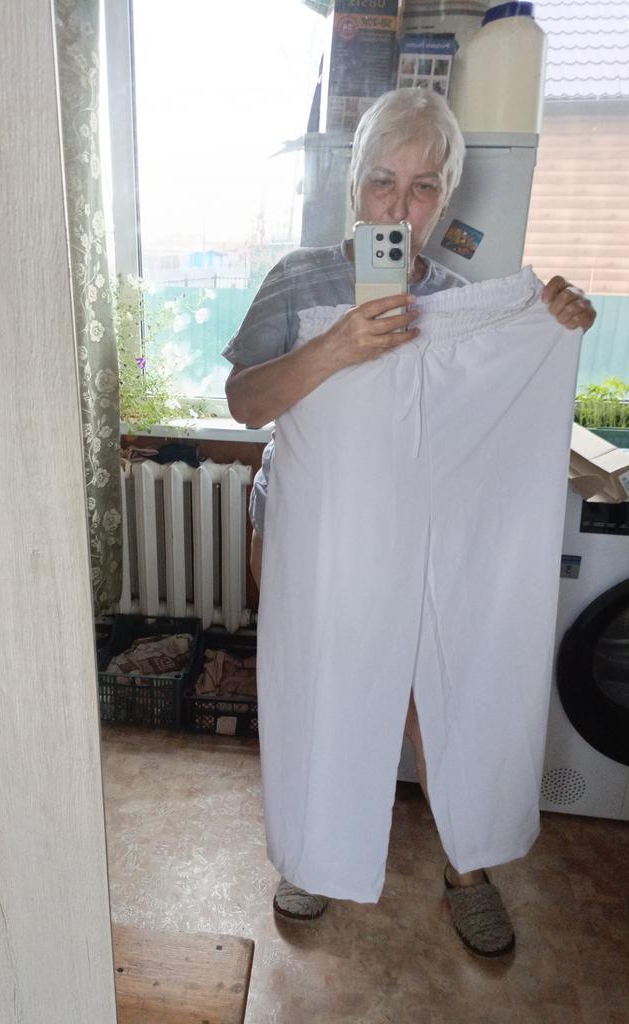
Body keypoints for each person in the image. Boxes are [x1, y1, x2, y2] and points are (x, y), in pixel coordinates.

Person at [222, 88, 596, 957]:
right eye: (383, 181)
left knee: (440, 689)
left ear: (446, 197)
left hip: (417, 537)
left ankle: (468, 867)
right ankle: (311, 855)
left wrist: (554, 325)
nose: (400, 206)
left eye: (424, 186)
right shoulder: (299, 278)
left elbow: (486, 425)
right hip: (315, 536)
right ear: (355, 184)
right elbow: (245, 403)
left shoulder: (461, 303)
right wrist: (335, 347)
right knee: (320, 682)